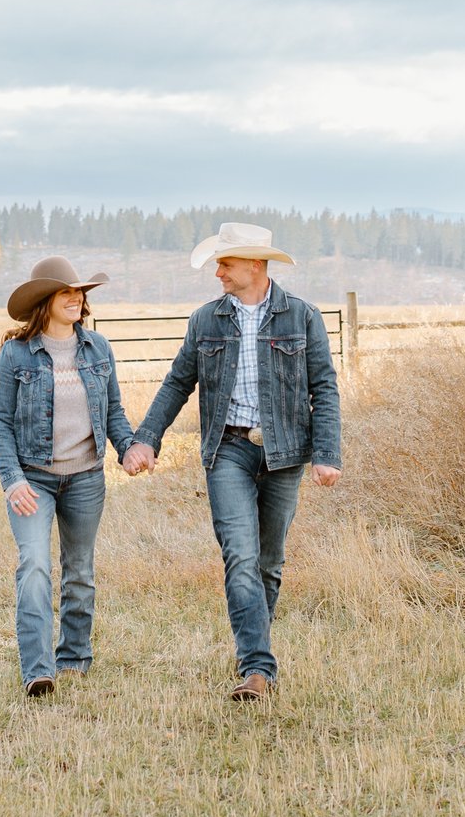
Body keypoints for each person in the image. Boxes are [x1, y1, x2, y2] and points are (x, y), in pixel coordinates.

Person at [125, 222, 341, 701]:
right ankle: (258, 669)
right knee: (239, 555)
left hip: (285, 453)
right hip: (228, 450)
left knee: (269, 563)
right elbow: (177, 383)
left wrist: (326, 454)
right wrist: (146, 440)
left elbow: (323, 387)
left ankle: (253, 650)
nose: (217, 272)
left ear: (255, 266)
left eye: (225, 263)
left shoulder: (301, 317)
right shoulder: (205, 321)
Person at [0, 255, 140, 697]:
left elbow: (113, 411)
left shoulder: (98, 348)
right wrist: (12, 480)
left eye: (80, 292)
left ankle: (73, 657)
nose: (77, 298)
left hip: (86, 479)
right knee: (33, 565)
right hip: (32, 480)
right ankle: (39, 669)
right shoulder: (16, 354)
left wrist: (128, 449)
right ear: (45, 301)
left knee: (79, 571)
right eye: (67, 292)